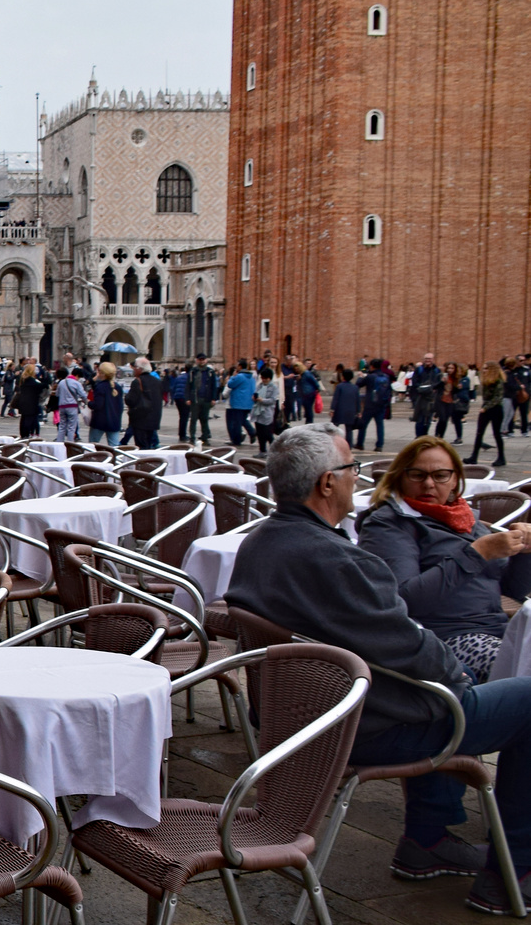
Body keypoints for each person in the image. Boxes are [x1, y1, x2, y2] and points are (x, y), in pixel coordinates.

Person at [226, 423, 531, 912]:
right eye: (352, 469)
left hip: (307, 718)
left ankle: (427, 842)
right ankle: (515, 871)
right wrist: (460, 679)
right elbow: (414, 651)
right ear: (327, 483)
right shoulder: (342, 559)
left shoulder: (259, 542)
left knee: (440, 688)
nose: (357, 478)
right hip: (363, 726)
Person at [359, 436, 531, 681]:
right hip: (447, 641)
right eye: (417, 475)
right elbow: (406, 599)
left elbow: (512, 590)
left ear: (455, 481)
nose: (429, 484)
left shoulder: (464, 518)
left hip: (499, 631)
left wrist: (525, 554)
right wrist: (477, 553)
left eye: (440, 476)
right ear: (400, 477)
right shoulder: (388, 524)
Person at [469, 362, 509, 465]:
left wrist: (485, 408)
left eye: (486, 369)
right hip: (486, 409)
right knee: (479, 433)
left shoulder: (498, 381)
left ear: (492, 370)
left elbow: (497, 398)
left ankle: (501, 458)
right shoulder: (486, 381)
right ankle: (474, 456)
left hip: (495, 410)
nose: (484, 370)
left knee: (497, 434)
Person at [125, 356, 166, 449]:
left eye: (135, 367)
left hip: (140, 419)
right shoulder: (157, 381)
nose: (134, 369)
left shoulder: (137, 381)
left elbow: (130, 400)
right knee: (149, 444)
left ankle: (143, 462)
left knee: (141, 446)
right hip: (154, 419)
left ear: (140, 369)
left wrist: (127, 397)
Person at [358, 359, 393, 452]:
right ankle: (379, 445)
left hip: (370, 404)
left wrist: (360, 376)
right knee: (380, 426)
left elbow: (358, 384)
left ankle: (360, 443)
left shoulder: (370, 377)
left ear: (372, 366)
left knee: (363, 425)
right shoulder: (385, 376)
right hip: (381, 404)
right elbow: (389, 390)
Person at [86, 361, 124, 445]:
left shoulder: (100, 387)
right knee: (114, 447)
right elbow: (120, 406)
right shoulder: (117, 387)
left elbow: (98, 405)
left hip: (100, 421)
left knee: (92, 445)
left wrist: (89, 403)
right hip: (114, 420)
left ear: (101, 373)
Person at [186, 354, 220, 445]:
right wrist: (188, 398)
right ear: (197, 360)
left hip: (206, 398)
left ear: (206, 360)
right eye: (200, 360)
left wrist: (214, 398)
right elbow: (188, 385)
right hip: (195, 399)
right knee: (193, 419)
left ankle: (205, 437)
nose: (202, 361)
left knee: (204, 419)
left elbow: (214, 386)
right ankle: (192, 437)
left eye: (203, 359)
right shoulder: (193, 371)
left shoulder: (210, 372)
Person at [223, 359, 257, 447]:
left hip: (238, 402)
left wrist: (232, 376)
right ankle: (251, 432)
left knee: (237, 422)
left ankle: (237, 440)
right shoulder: (251, 377)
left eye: (237, 365)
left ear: (240, 366)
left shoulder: (240, 376)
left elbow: (230, 384)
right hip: (248, 402)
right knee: (242, 420)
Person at [436, 362, 472, 444]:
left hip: (458, 402)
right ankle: (439, 436)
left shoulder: (464, 379)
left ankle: (459, 438)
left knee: (456, 420)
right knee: (443, 419)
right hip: (449, 402)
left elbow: (461, 390)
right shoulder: (450, 378)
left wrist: (458, 387)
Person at [252, 365, 283, 455]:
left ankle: (275, 448)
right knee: (259, 432)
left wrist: (262, 400)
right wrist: (254, 398)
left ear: (270, 378)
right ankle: (262, 450)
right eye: (262, 378)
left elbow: (272, 400)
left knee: (267, 433)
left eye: (266, 378)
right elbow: (255, 394)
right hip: (258, 412)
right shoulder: (259, 386)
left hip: (267, 412)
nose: (264, 380)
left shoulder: (274, 388)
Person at [411, 353, 444, 439]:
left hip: (431, 397)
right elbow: (414, 381)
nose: (427, 361)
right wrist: (421, 388)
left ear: (433, 359)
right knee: (419, 417)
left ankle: (424, 434)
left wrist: (432, 388)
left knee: (428, 417)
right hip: (420, 396)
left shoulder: (437, 370)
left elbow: (439, 383)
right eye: (426, 359)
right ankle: (418, 436)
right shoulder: (419, 369)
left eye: (429, 359)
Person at [53, 365, 87, 443]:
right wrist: (85, 401)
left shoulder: (61, 382)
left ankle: (59, 442)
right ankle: (70, 442)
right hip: (72, 406)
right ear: (77, 376)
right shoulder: (76, 383)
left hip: (62, 406)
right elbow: (83, 395)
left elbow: (57, 394)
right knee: (71, 427)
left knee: (62, 426)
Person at [13, 363, 46, 438]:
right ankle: (26, 435)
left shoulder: (23, 379)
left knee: (24, 418)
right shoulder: (31, 380)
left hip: (23, 401)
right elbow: (40, 386)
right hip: (30, 403)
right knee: (28, 420)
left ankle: (23, 435)